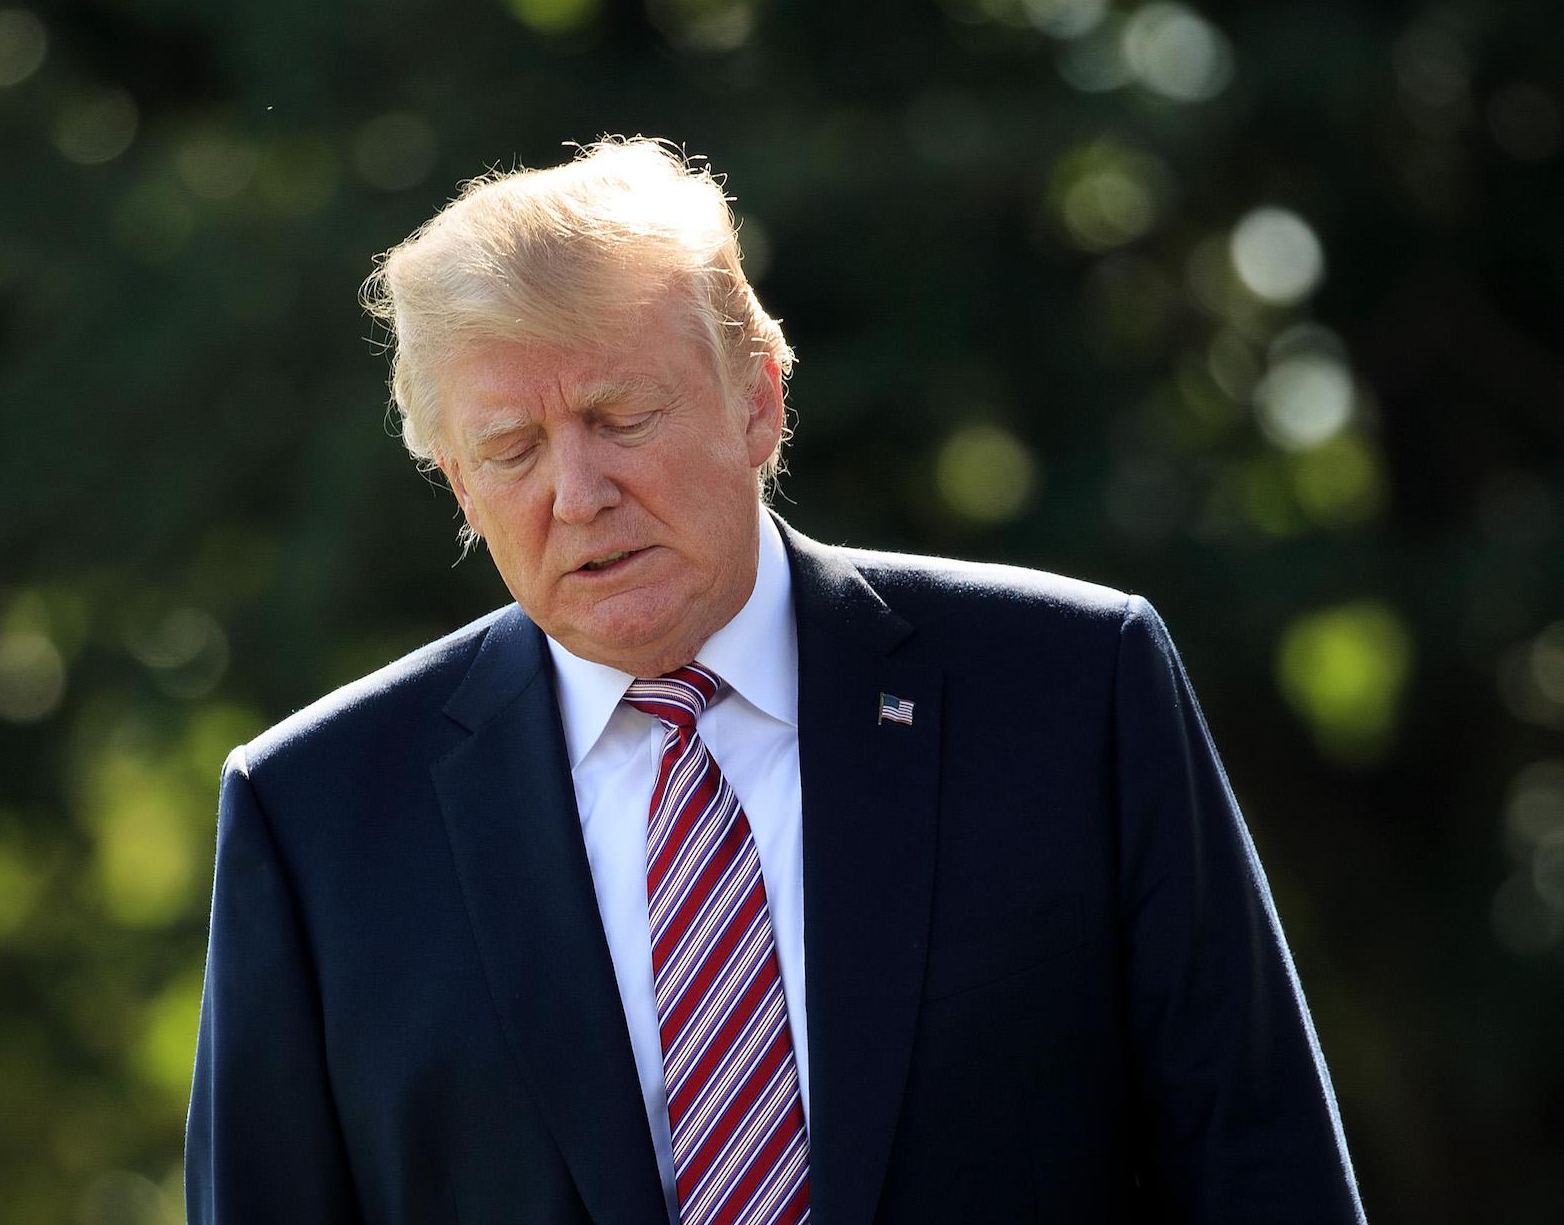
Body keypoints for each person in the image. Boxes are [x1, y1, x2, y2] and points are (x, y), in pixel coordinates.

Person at [184, 138, 1366, 1223]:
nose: (576, 492)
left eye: (618, 416)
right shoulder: (319, 817)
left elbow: (1263, 1173)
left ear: (757, 399)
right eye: (511, 450)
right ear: (456, 486)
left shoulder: (1070, 692)